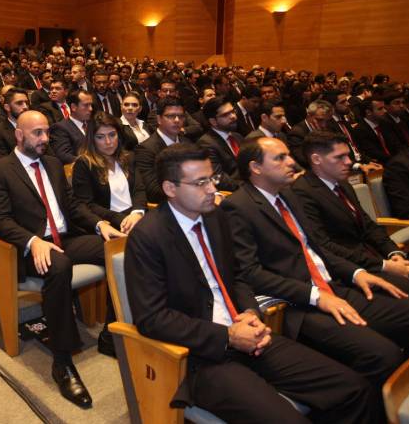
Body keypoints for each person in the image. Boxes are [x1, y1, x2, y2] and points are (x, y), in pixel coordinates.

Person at [125, 143, 375, 423]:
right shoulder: (148, 237)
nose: (211, 190)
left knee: (353, 388)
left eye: (212, 179)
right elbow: (152, 318)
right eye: (200, 183)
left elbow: (237, 276)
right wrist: (228, 337)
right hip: (202, 354)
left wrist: (250, 313)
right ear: (170, 189)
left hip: (250, 332)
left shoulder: (215, 216)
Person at [220, 137, 409, 407]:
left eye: (289, 154)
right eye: (280, 158)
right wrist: (315, 296)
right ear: (255, 167)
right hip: (299, 304)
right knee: (383, 354)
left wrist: (358, 273)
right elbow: (251, 273)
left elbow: (319, 249)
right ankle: (378, 410)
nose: (292, 162)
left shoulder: (288, 194)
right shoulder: (238, 207)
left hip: (335, 285)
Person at [0, 110, 124, 408]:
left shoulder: (52, 163)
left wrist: (100, 225)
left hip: (66, 238)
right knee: (59, 266)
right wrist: (32, 241)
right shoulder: (0, 169)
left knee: (120, 250)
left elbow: (72, 207)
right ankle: (62, 362)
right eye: (37, 133)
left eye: (47, 132)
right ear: (19, 135)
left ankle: (110, 333)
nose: (45, 139)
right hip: (30, 245)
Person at [292, 131, 409, 302]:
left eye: (348, 155)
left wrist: (393, 253)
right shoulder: (301, 192)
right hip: (357, 273)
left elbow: (368, 225)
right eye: (339, 157)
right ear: (317, 159)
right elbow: (325, 246)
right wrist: (385, 266)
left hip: (381, 260)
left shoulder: (342, 184)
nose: (348, 162)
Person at [72, 112, 146, 233]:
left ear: (119, 135)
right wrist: (120, 219)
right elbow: (87, 204)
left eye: (112, 135)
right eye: (100, 137)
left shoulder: (129, 157)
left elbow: (139, 189)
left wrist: (137, 212)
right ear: (92, 139)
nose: (108, 142)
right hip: (109, 222)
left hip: (135, 217)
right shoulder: (84, 164)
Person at [134, 97, 188, 204]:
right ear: (159, 119)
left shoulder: (187, 142)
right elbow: (153, 191)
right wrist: (189, 193)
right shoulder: (146, 149)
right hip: (167, 207)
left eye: (181, 116)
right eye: (171, 116)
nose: (177, 120)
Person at [197, 97, 243, 191]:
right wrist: (248, 187)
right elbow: (218, 178)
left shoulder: (237, 136)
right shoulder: (206, 144)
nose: (233, 116)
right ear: (213, 121)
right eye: (226, 115)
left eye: (232, 111)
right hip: (233, 193)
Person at [49, 88, 93, 164]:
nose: (91, 109)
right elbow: (64, 156)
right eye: (86, 105)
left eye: (91, 105)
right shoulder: (60, 128)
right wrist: (90, 163)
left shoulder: (93, 124)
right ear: (73, 107)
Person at [0, 87, 29, 161]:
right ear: (7, 107)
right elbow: (2, 163)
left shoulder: (35, 127)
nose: (25, 107)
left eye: (27, 103)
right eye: (19, 103)